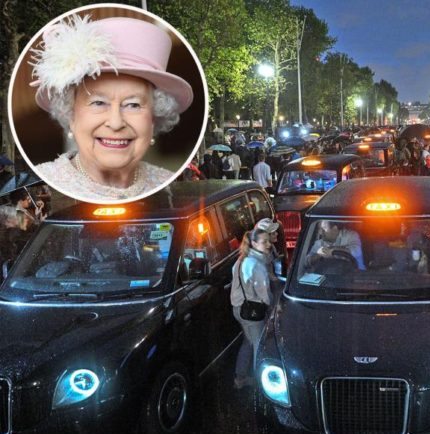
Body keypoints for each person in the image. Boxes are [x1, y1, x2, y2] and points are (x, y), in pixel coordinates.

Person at [29, 15, 194, 201]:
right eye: (98, 102)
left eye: (133, 105)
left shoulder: (168, 183)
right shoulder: (43, 182)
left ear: (154, 119)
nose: (116, 123)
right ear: (70, 115)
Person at [230, 229, 276, 389]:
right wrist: (274, 308)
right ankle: (261, 385)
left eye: (268, 241)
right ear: (255, 244)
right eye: (264, 242)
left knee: (248, 341)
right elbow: (265, 296)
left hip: (238, 308)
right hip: (252, 312)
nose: (268, 244)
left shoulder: (241, 259)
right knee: (259, 344)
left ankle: (240, 378)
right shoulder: (257, 265)